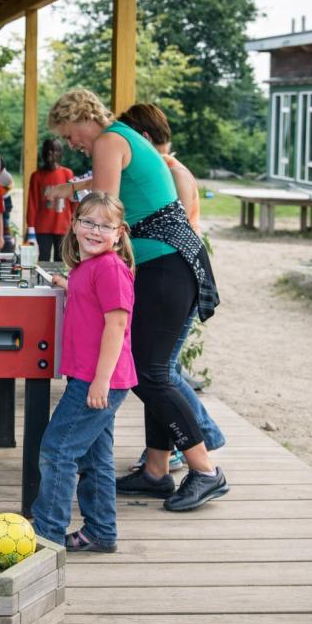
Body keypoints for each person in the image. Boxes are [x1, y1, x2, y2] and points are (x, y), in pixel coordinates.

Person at [47, 89, 227, 512]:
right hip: (169, 264)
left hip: (166, 265)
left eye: (70, 133)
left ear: (83, 117)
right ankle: (156, 471)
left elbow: (103, 210)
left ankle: (205, 470)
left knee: (150, 372)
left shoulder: (109, 140)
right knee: (152, 367)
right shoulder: (119, 138)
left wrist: (81, 275)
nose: (71, 143)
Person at [117, 104, 226, 471]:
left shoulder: (172, 171)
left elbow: (170, 228)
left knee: (159, 372)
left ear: (143, 138)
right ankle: (159, 463)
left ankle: (200, 442)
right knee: (159, 369)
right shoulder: (163, 168)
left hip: (176, 272)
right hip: (166, 272)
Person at [32, 192, 137, 553]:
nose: (95, 231)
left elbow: (117, 325)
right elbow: (87, 295)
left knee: (57, 450)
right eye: (88, 222)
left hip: (99, 379)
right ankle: (101, 531)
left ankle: (47, 535)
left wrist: (101, 381)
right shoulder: (86, 268)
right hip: (91, 378)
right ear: (74, 225)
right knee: (95, 457)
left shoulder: (110, 268)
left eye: (105, 226)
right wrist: (66, 285)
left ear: (119, 233)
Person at [25, 138, 75, 262]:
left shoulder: (67, 173)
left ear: (60, 153)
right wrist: (30, 227)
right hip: (43, 226)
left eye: (54, 150)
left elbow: (73, 200)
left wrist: (76, 221)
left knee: (62, 259)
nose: (50, 153)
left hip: (63, 225)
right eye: (47, 150)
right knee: (43, 258)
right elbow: (32, 203)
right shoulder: (37, 176)